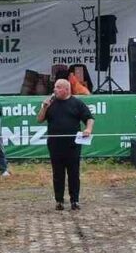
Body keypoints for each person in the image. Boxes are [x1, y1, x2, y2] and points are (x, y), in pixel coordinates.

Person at [37, 79, 95, 211]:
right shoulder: (50, 103)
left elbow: (89, 118)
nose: (54, 90)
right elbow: (39, 119)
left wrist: (88, 129)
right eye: (55, 87)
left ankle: (75, 200)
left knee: (73, 173)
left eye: (58, 88)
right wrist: (44, 107)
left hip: (73, 145)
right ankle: (59, 201)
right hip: (55, 144)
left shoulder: (77, 103)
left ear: (66, 89)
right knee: (58, 174)